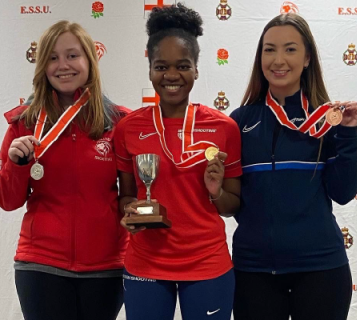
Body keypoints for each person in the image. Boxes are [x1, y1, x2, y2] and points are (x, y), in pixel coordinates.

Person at [0, 20, 128, 320]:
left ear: (89, 60)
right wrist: (16, 166)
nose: (63, 65)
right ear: (42, 66)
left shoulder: (119, 123)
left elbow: (134, 194)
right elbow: (6, 199)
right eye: (52, 57)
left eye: (72, 55)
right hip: (40, 266)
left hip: (104, 268)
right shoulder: (24, 123)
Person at [113, 4, 241, 320]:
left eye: (183, 66)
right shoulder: (128, 127)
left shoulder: (224, 128)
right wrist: (132, 213)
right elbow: (127, 196)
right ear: (150, 70)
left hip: (207, 263)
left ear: (196, 69)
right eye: (161, 66)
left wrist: (215, 191)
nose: (172, 76)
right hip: (146, 263)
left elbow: (231, 205)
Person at [230, 13, 357, 320]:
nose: (278, 60)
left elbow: (344, 192)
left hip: (321, 269)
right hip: (254, 270)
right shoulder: (240, 121)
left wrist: (347, 134)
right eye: (269, 49)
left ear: (307, 59)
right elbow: (231, 200)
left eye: (290, 49)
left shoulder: (327, 119)